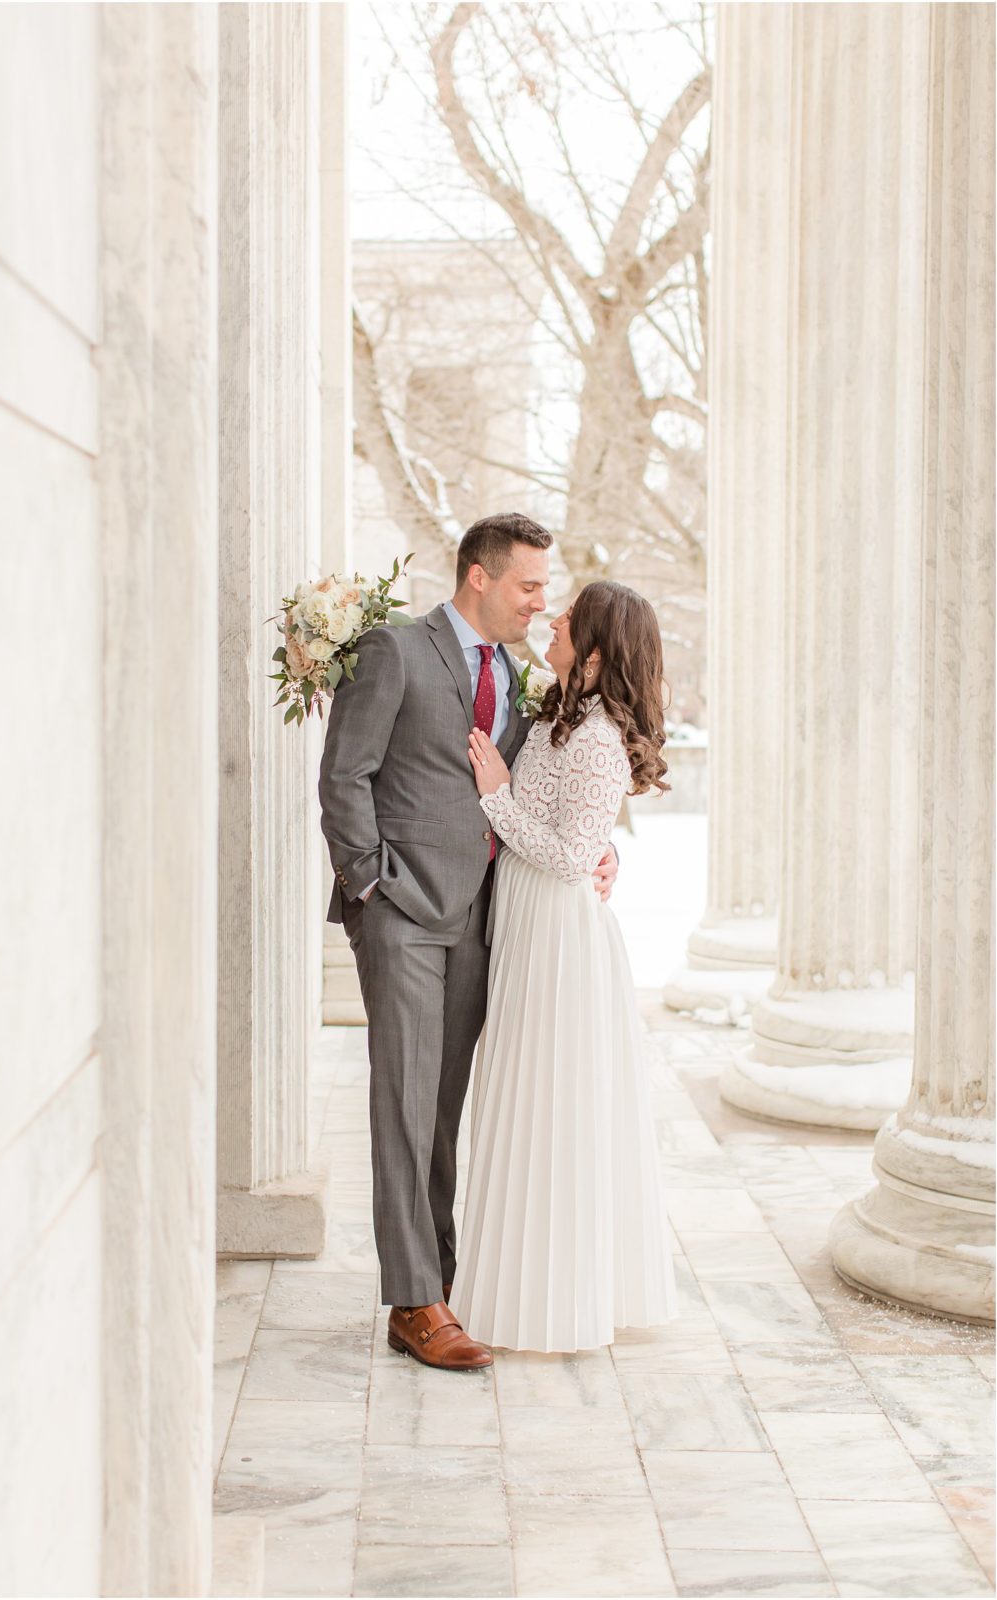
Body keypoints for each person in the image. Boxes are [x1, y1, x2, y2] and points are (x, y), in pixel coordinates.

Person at [318, 513, 619, 1371]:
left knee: (446, 1110)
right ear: (480, 578)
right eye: (529, 585)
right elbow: (346, 776)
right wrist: (371, 885)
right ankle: (415, 1301)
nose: (540, 603)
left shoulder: (520, 679)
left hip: (489, 921)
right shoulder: (395, 651)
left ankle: (439, 1285)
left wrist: (603, 847)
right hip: (405, 914)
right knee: (404, 1106)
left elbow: (553, 791)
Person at [452, 580, 680, 1352]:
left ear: (595, 648)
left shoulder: (597, 739)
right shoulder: (559, 713)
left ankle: (551, 1297)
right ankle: (511, 1279)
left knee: (550, 1107)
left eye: (568, 618)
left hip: (559, 943)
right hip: (527, 925)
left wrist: (496, 797)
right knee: (520, 1100)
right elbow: (580, 841)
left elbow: (569, 854)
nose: (551, 620)